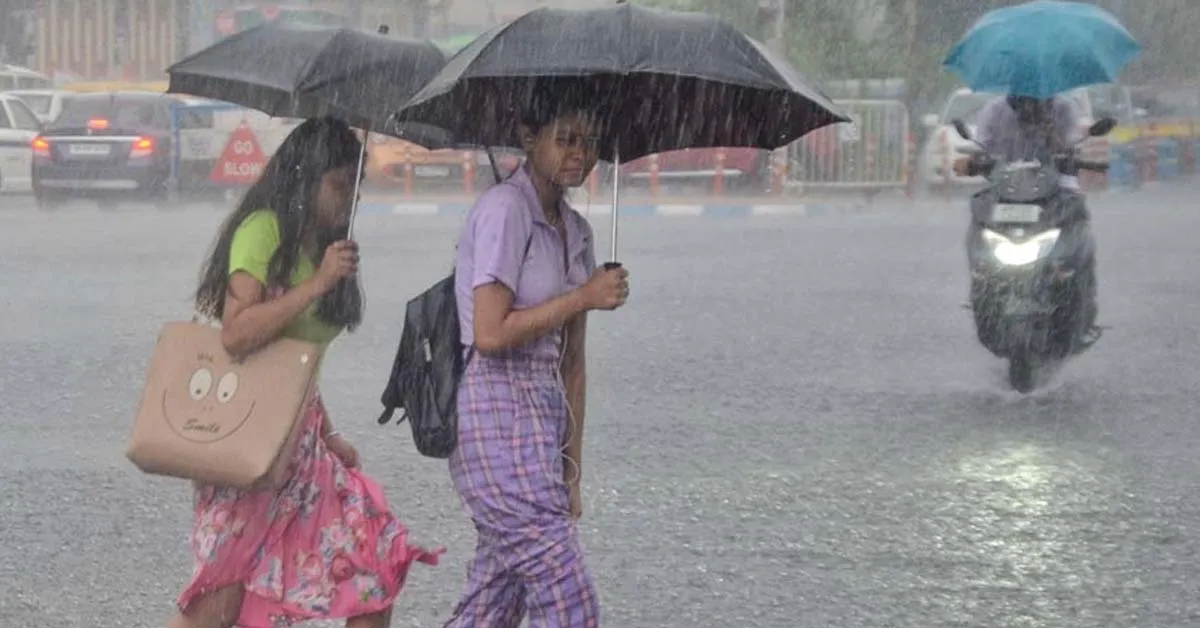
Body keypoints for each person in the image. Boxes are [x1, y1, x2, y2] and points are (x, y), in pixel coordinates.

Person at [174, 116, 441, 628]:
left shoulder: (327, 244)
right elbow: (238, 334)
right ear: (306, 177)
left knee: (371, 572)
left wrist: (329, 431)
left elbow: (298, 361)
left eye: (356, 187)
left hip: (304, 443)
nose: (350, 200)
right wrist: (316, 284)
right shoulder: (263, 231)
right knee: (220, 603)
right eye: (339, 185)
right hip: (247, 446)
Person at [446, 80, 629, 627]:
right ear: (529, 137)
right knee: (571, 599)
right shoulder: (506, 210)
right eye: (566, 139)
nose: (580, 154)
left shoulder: (577, 232)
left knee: (493, 604)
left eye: (591, 142)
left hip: (542, 423)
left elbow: (572, 362)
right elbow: (490, 333)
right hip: (492, 417)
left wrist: (571, 467)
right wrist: (582, 295)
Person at [956, 94, 1100, 345]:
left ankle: (1081, 296)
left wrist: (1050, 130)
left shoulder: (1063, 109)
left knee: (1079, 225)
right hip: (1007, 189)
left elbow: (1070, 148)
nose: (1027, 99)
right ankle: (982, 287)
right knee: (979, 218)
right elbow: (982, 148)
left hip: (1056, 188)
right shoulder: (995, 110)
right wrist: (972, 162)